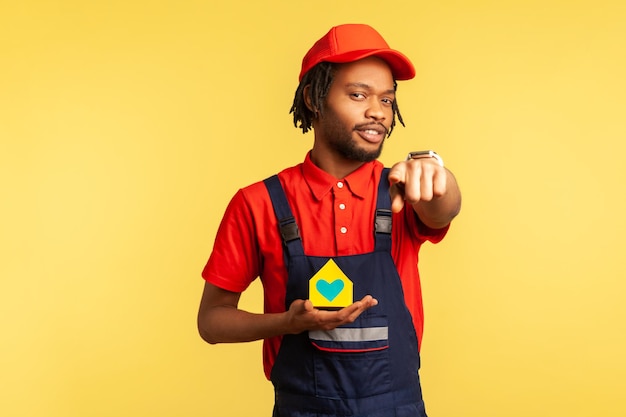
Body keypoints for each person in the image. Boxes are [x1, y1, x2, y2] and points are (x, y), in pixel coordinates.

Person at [197, 23, 462, 417]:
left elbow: (444, 206)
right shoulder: (259, 203)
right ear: (313, 98)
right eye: (358, 95)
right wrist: (287, 322)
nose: (377, 111)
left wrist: (438, 173)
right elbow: (212, 322)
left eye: (388, 100)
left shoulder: (401, 190)